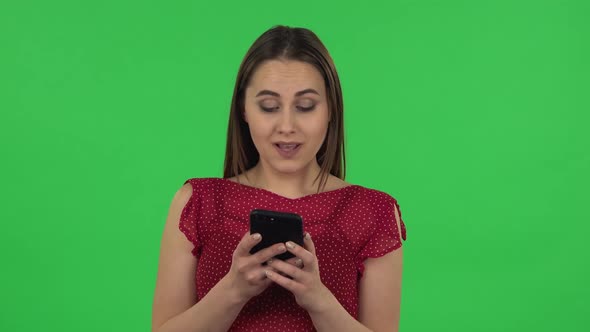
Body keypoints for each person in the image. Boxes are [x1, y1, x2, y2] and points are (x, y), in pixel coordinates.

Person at [151, 25, 407, 332]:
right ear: (243, 109)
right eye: (269, 106)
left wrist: (318, 299)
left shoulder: (373, 212)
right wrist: (233, 290)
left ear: (330, 110)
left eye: (306, 106)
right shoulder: (199, 202)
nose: (287, 125)